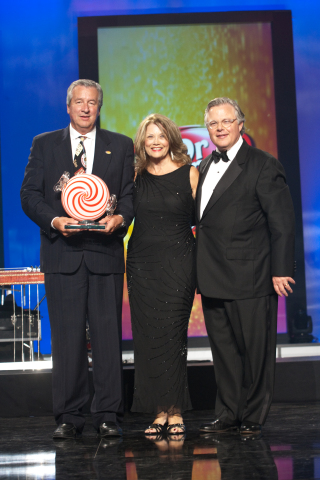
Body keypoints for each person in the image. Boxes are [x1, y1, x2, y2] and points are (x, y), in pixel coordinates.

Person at [20, 79, 134, 439]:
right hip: (62, 254)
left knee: (107, 338)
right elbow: (29, 195)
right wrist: (55, 221)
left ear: (100, 107)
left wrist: (120, 220)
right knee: (67, 339)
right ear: (68, 107)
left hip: (105, 254)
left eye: (93, 103)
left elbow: (130, 196)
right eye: (79, 102)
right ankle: (69, 416)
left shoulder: (121, 145)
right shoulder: (44, 144)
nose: (86, 108)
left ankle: (108, 414)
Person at [196, 97, 295, 435]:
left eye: (226, 121)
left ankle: (253, 415)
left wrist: (281, 269)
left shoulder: (263, 164)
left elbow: (281, 222)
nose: (220, 128)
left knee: (255, 352)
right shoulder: (205, 167)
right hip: (211, 276)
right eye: (213, 123)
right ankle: (228, 414)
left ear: (241, 124)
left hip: (251, 276)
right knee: (223, 353)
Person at [126, 114, 199, 435]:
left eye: (160, 136)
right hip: (142, 265)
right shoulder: (134, 176)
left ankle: (176, 411)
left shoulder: (191, 174)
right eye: (148, 137)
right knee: (148, 338)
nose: (155, 141)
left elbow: (207, 221)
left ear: (171, 138)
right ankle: (158, 413)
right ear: (142, 142)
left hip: (180, 263)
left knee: (172, 336)